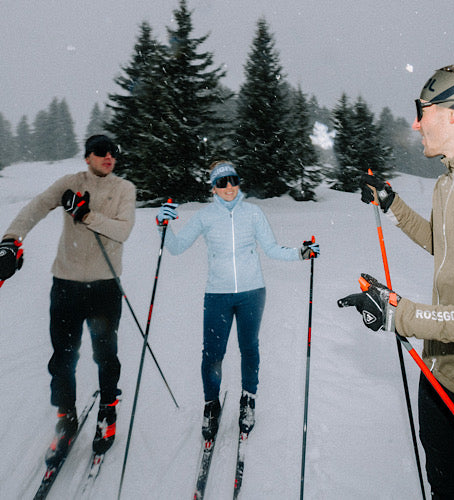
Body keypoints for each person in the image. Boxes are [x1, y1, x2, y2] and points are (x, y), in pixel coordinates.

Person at [338, 61, 454, 498]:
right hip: (440, 377)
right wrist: (393, 204)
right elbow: (446, 243)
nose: (415, 121)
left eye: (422, 109)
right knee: (446, 490)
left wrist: (404, 316)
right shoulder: (448, 183)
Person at [156, 160, 319, 440]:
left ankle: (248, 400)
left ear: (239, 182)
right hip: (217, 294)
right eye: (222, 182)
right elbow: (176, 247)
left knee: (249, 348)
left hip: (252, 292)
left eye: (232, 180)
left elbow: (271, 248)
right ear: (213, 189)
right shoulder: (205, 217)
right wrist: (163, 226)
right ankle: (211, 404)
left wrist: (301, 253)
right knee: (212, 354)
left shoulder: (253, 213)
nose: (229, 186)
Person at [0, 135, 136, 464]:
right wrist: (9, 241)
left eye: (112, 153)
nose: (108, 157)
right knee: (62, 358)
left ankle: (108, 411)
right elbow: (35, 207)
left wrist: (87, 215)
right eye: (100, 152)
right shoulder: (69, 184)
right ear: (87, 157)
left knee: (106, 355)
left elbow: (122, 231)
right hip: (66, 285)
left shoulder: (124, 189)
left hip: (104, 287)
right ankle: (67, 418)